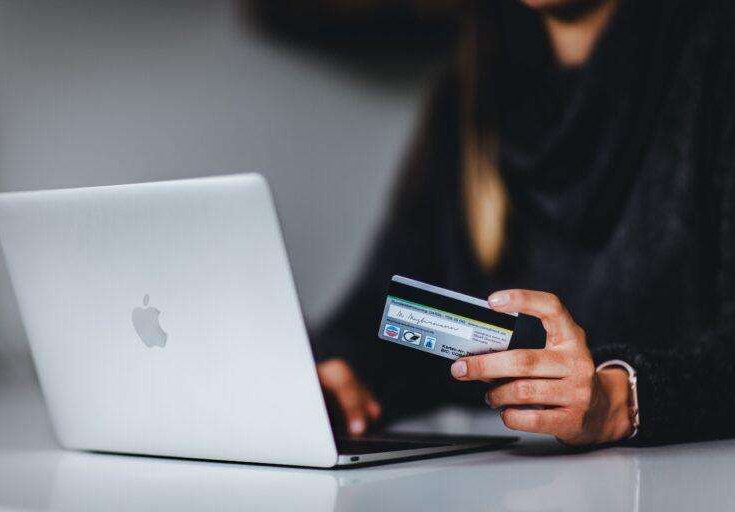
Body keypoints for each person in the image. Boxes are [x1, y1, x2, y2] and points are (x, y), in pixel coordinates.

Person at [312, 0, 735, 446]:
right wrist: (341, 374)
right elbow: (379, 314)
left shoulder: (718, 57)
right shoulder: (471, 85)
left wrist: (620, 399)